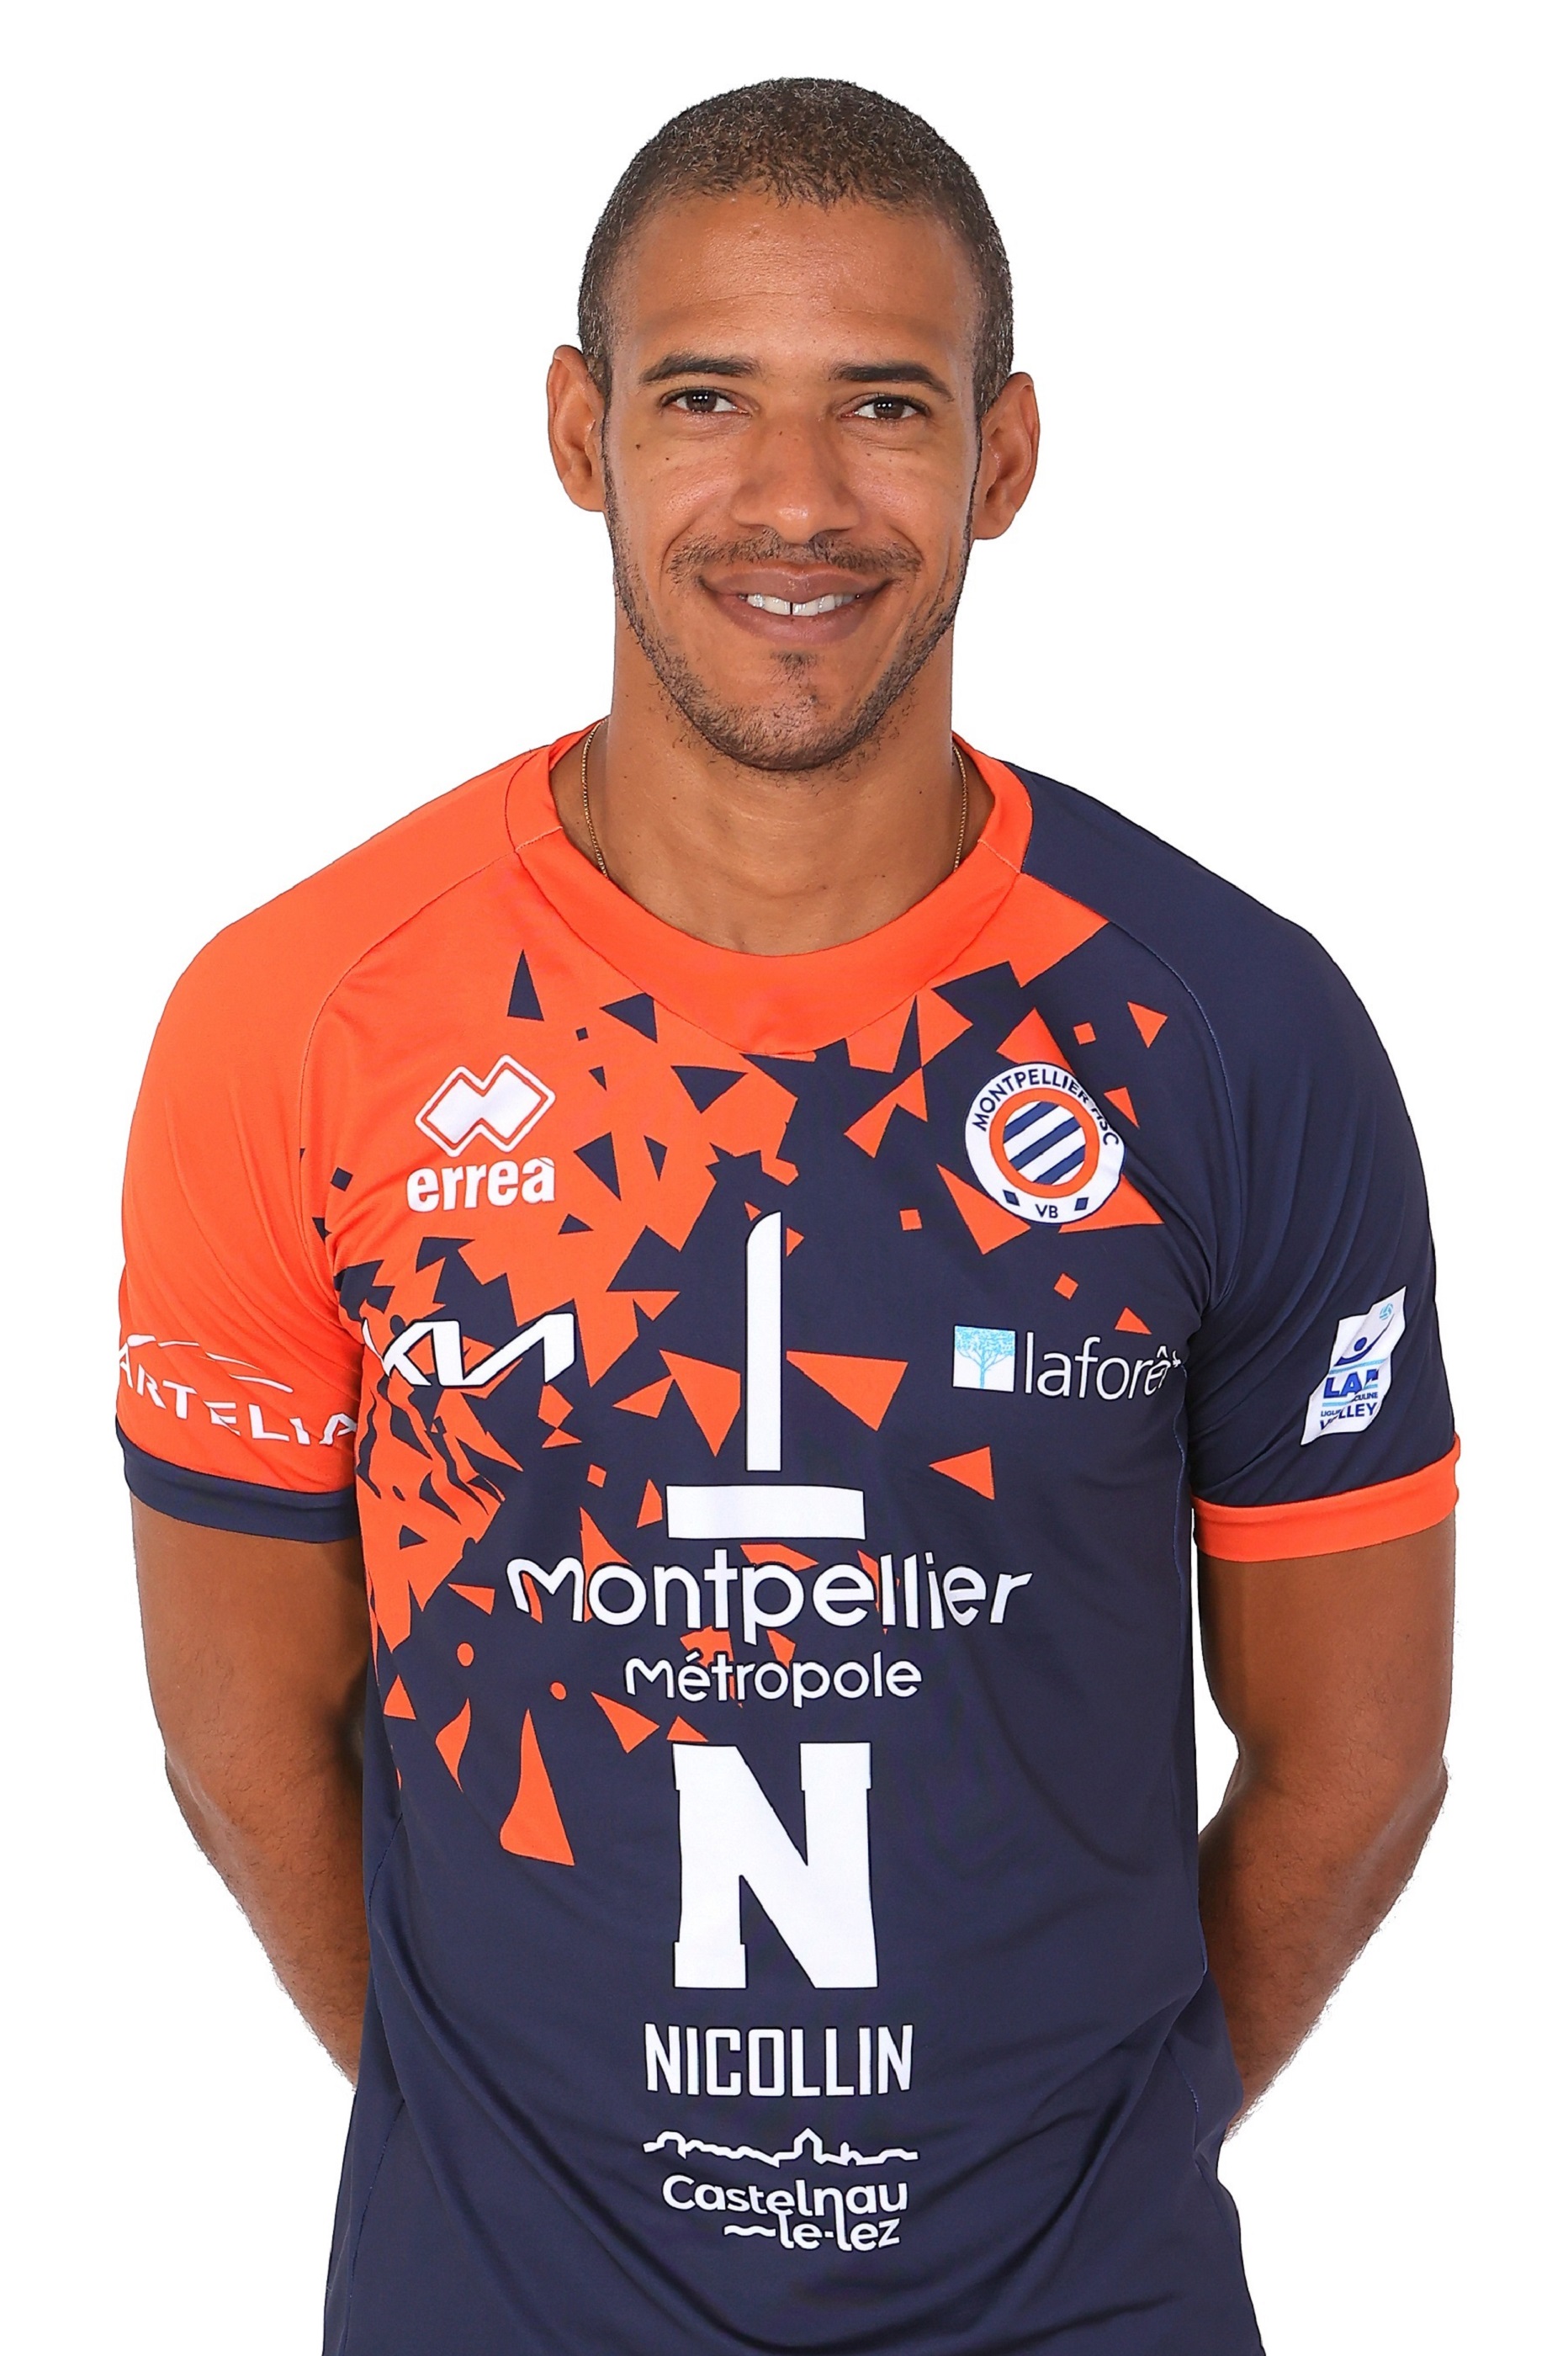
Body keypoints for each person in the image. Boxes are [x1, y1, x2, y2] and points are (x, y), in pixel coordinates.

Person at [119, 77, 1456, 2356]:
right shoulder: (302, 1019)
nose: (798, 499)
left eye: (887, 406)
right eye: (708, 396)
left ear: (1004, 458)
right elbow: (243, 1737)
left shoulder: (1226, 1024)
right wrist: (513, 2168)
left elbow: (1358, 1763)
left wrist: (1079, 2184)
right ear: (581, 431)